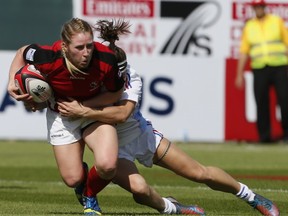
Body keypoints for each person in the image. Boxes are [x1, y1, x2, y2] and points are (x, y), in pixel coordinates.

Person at [57, 20, 280, 216]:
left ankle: (251, 197)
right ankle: (173, 207)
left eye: (121, 72)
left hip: (142, 135)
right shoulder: (90, 75)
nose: (118, 77)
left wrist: (84, 111)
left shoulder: (132, 78)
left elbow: (123, 114)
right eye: (114, 73)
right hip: (116, 150)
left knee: (199, 173)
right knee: (140, 190)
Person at [7, 18, 126, 215]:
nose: (87, 52)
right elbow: (22, 51)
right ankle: (83, 179)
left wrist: (82, 107)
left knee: (108, 165)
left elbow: (115, 93)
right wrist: (12, 81)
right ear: (65, 46)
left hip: (94, 112)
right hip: (61, 115)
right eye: (80, 47)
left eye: (90, 45)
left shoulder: (105, 58)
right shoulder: (48, 56)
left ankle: (90, 196)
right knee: (72, 179)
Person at [235, 0, 288, 143]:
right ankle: (265, 136)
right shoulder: (250, 26)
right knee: (261, 102)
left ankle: (287, 134)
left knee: (285, 99)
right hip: (259, 68)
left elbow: (286, 43)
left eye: (260, 6)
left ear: (265, 7)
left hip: (279, 66)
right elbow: (244, 51)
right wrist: (239, 74)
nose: (258, 9)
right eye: (255, 7)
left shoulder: (276, 21)